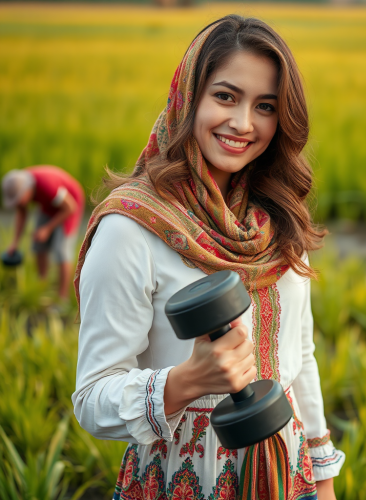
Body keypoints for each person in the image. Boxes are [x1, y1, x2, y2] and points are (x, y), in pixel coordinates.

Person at [72, 15, 345, 500]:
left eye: (265, 105)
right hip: (182, 478)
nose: (243, 123)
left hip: (288, 476)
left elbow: (298, 360)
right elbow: (92, 398)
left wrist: (322, 482)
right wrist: (185, 381)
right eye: (225, 96)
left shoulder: (277, 217)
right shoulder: (131, 228)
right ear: (187, 99)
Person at [2, 165, 85, 299]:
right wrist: (15, 243)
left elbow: (70, 208)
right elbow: (21, 213)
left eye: (18, 199)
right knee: (38, 244)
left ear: (27, 190)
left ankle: (62, 297)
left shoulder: (48, 186)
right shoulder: (18, 184)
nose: (18, 203)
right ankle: (43, 286)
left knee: (62, 250)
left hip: (70, 204)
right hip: (48, 205)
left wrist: (47, 228)